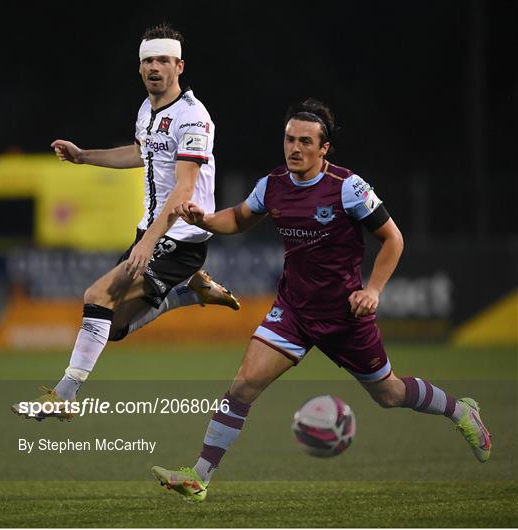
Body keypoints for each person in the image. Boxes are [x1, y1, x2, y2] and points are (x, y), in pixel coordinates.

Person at [150, 98, 492, 502]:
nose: (295, 148)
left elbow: (393, 239)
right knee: (243, 385)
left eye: (305, 142)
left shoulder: (348, 188)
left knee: (390, 395)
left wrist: (373, 290)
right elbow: (240, 218)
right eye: (289, 139)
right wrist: (205, 220)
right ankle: (199, 476)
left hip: (345, 316)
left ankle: (461, 411)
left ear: (324, 148)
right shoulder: (273, 185)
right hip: (294, 311)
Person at [11, 22, 239, 421]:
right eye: (148, 60)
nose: (155, 67)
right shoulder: (147, 110)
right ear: (139, 68)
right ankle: (189, 292)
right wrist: (84, 157)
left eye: (163, 60)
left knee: (95, 297)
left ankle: (63, 397)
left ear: (179, 66)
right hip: (152, 231)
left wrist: (148, 242)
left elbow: (183, 191)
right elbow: (140, 154)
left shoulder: (194, 118)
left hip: (178, 236)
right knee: (111, 327)